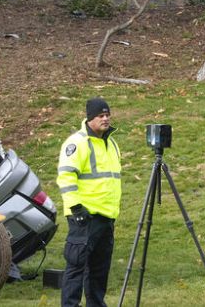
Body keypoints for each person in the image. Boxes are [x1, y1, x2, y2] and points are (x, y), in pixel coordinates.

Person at [57, 97, 122, 307]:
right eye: (100, 115)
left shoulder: (111, 143)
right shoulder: (77, 143)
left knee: (99, 271)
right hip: (84, 217)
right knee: (76, 267)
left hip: (106, 217)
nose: (105, 119)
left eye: (107, 115)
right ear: (89, 118)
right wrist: (76, 207)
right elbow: (66, 177)